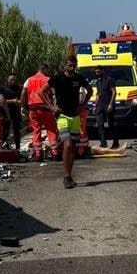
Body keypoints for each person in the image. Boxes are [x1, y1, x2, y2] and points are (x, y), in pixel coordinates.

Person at [44, 56, 92, 189]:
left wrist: (83, 105)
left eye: (74, 65)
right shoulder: (57, 78)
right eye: (70, 65)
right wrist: (51, 107)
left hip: (75, 116)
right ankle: (66, 176)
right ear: (65, 66)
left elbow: (90, 91)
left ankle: (69, 175)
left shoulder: (78, 78)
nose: (72, 68)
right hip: (62, 116)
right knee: (68, 144)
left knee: (73, 148)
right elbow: (41, 92)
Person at [21, 63, 59, 161]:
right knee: (51, 130)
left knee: (36, 131)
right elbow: (54, 94)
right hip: (45, 109)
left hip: (33, 109)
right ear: (45, 70)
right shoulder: (47, 79)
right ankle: (55, 153)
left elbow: (23, 94)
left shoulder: (29, 80)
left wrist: (23, 106)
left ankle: (38, 154)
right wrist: (53, 107)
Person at [93, 65, 119, 148]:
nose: (97, 73)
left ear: (102, 71)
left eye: (98, 71)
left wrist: (111, 104)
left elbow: (114, 92)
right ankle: (103, 143)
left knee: (111, 125)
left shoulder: (109, 80)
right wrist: (95, 106)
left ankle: (115, 143)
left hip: (108, 105)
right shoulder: (98, 82)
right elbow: (98, 94)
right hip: (100, 106)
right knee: (100, 125)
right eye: (96, 72)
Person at [1, 73, 23, 149]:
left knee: (17, 131)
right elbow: (1, 101)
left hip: (16, 112)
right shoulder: (3, 89)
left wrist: (20, 102)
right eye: (11, 80)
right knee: (5, 131)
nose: (13, 81)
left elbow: (22, 98)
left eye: (14, 80)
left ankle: (18, 147)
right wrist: (12, 101)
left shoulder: (18, 88)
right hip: (6, 112)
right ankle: (2, 146)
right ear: (7, 79)